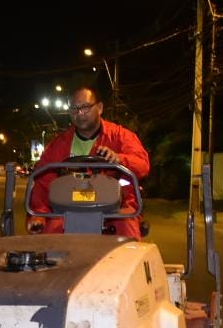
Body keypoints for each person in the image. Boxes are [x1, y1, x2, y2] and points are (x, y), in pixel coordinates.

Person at [28, 86, 150, 239]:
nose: (80, 113)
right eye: (74, 108)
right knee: (50, 233)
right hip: (68, 209)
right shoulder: (58, 144)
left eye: (85, 107)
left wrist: (119, 159)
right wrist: (39, 215)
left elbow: (143, 165)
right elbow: (42, 182)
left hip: (115, 209)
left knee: (127, 228)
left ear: (99, 108)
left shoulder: (121, 136)